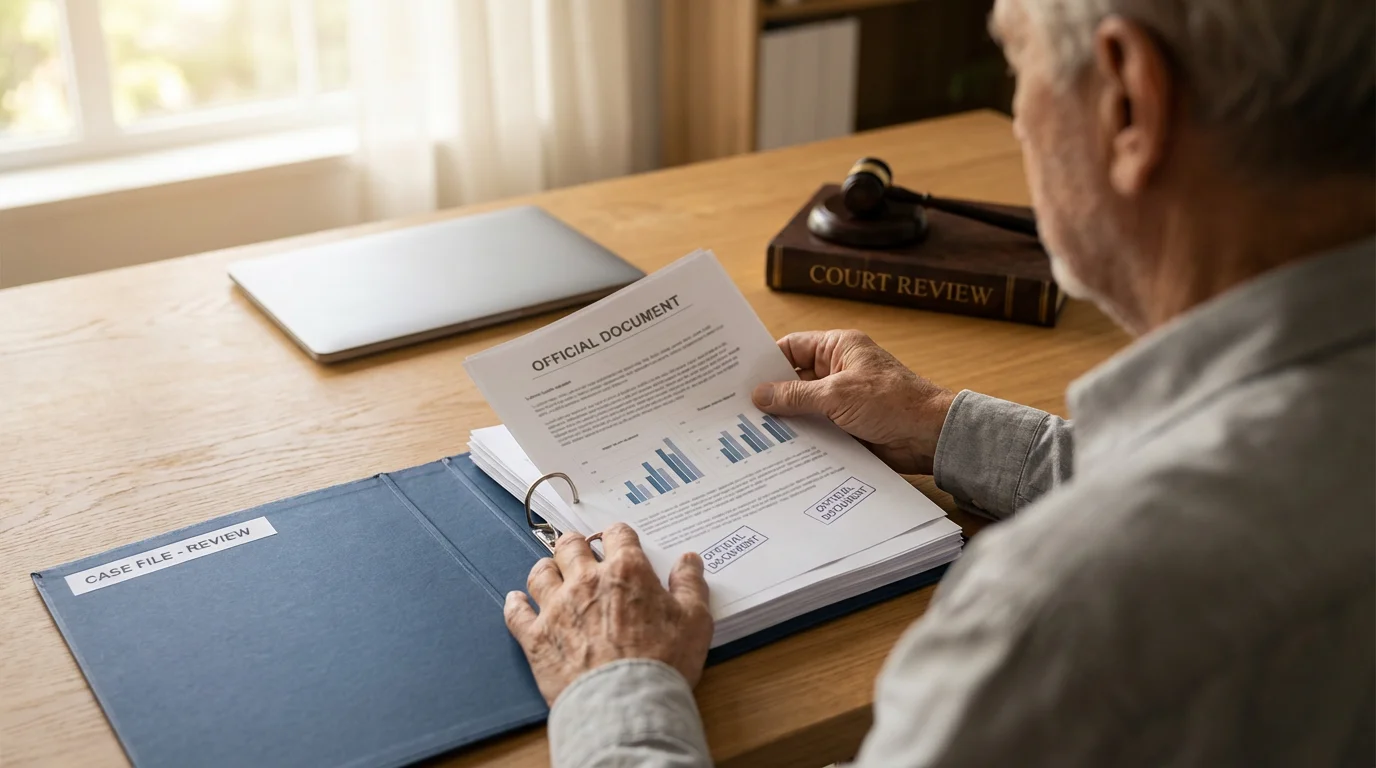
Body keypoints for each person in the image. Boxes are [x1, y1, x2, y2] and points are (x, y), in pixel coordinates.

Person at [500, 0, 1375, 764]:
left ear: (1127, 101)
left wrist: (615, 692)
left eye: (1017, 64)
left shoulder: (1054, 617)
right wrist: (939, 422)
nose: (1019, 122)